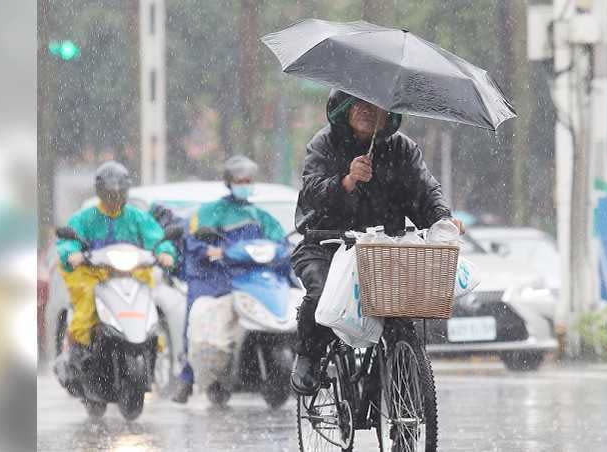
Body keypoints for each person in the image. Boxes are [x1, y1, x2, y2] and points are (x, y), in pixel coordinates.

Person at [290, 90, 464, 395]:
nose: (367, 110)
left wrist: (442, 220)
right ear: (343, 107)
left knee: (399, 310)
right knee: (321, 294)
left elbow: (426, 191)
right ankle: (308, 355)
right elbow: (312, 193)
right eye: (359, 103)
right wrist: (347, 181)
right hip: (327, 245)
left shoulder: (403, 149)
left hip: (383, 248)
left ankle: (402, 401)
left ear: (389, 113)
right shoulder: (324, 143)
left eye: (375, 104)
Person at [171, 155, 287, 403]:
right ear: (229, 182)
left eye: (248, 180)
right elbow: (193, 240)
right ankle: (188, 377)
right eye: (239, 180)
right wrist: (208, 252)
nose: (245, 184)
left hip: (249, 276)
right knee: (199, 319)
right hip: (213, 276)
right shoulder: (210, 212)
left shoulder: (260, 215)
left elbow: (280, 241)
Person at [56, 161, 177, 367]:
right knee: (86, 302)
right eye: (110, 194)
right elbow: (68, 243)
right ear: (101, 192)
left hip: (131, 274)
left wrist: (164, 253)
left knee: (149, 303)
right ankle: (80, 350)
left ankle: (152, 344)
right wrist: (73, 254)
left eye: (119, 193)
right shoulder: (84, 218)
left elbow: (156, 238)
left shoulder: (137, 217)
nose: (115, 199)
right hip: (91, 274)